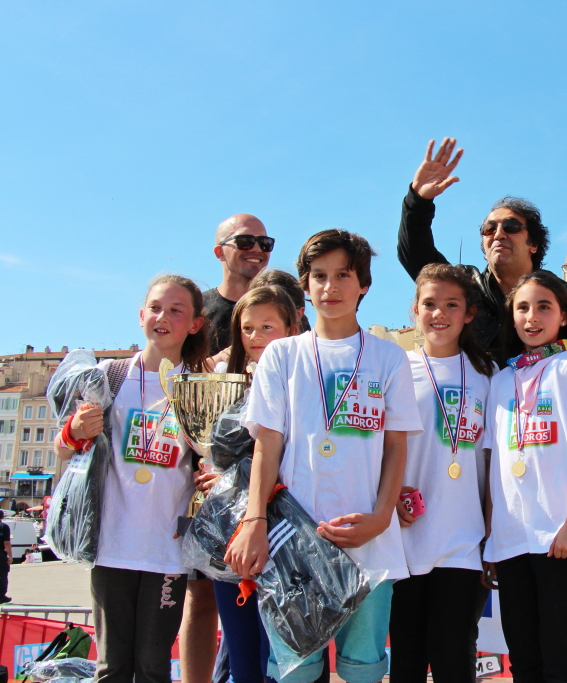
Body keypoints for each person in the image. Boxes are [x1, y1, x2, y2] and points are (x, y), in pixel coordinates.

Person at [227, 229, 423, 683]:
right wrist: (255, 521)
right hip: (294, 541)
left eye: (343, 275)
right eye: (319, 276)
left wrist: (380, 518)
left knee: (363, 668)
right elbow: (267, 444)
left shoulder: (389, 359)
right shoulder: (281, 354)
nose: (330, 287)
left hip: (369, 541)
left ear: (364, 286)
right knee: (295, 669)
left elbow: (396, 446)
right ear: (305, 285)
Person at [56, 275, 208, 683]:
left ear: (194, 324)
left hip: (168, 551)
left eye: (177, 310)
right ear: (141, 315)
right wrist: (75, 431)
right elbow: (63, 447)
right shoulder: (109, 376)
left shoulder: (198, 388)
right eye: (156, 307)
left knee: (154, 668)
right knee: (112, 669)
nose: (163, 317)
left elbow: (209, 461)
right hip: (110, 545)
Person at [482, 270, 567, 683]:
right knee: (523, 660)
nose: (532, 316)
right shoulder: (500, 379)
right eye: (522, 307)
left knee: (560, 660)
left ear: (563, 316)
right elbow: (495, 463)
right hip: (509, 541)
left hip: (560, 536)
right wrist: (491, 537)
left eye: (544, 306)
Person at [397, 138, 567, 383]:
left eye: (511, 227)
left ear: (533, 244)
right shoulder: (464, 286)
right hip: (470, 412)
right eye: (489, 230)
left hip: (543, 415)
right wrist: (418, 201)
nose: (499, 234)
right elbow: (415, 254)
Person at [389, 264, 494, 683]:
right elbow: (376, 450)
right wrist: (388, 496)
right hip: (403, 539)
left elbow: (495, 465)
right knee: (407, 659)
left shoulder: (489, 376)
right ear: (415, 309)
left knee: (455, 657)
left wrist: (491, 531)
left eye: (452, 305)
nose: (439, 314)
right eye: (429, 304)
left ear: (469, 313)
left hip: (463, 542)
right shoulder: (395, 369)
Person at [199, 285, 301, 683]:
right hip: (235, 532)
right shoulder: (222, 381)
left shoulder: (305, 381)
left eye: (267, 327)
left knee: (282, 654)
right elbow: (203, 443)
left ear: (292, 328)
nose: (256, 337)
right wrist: (213, 473)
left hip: (290, 533)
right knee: (241, 650)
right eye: (247, 328)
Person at [203, 213, 274, 353]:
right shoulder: (196, 308)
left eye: (265, 243)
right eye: (245, 241)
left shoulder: (284, 308)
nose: (257, 249)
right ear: (220, 252)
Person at [0, 511, 11, 603]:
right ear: (2, 517)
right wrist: (10, 556)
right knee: (2, 574)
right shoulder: (4, 527)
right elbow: (6, 543)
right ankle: (1, 596)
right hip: (0, 554)